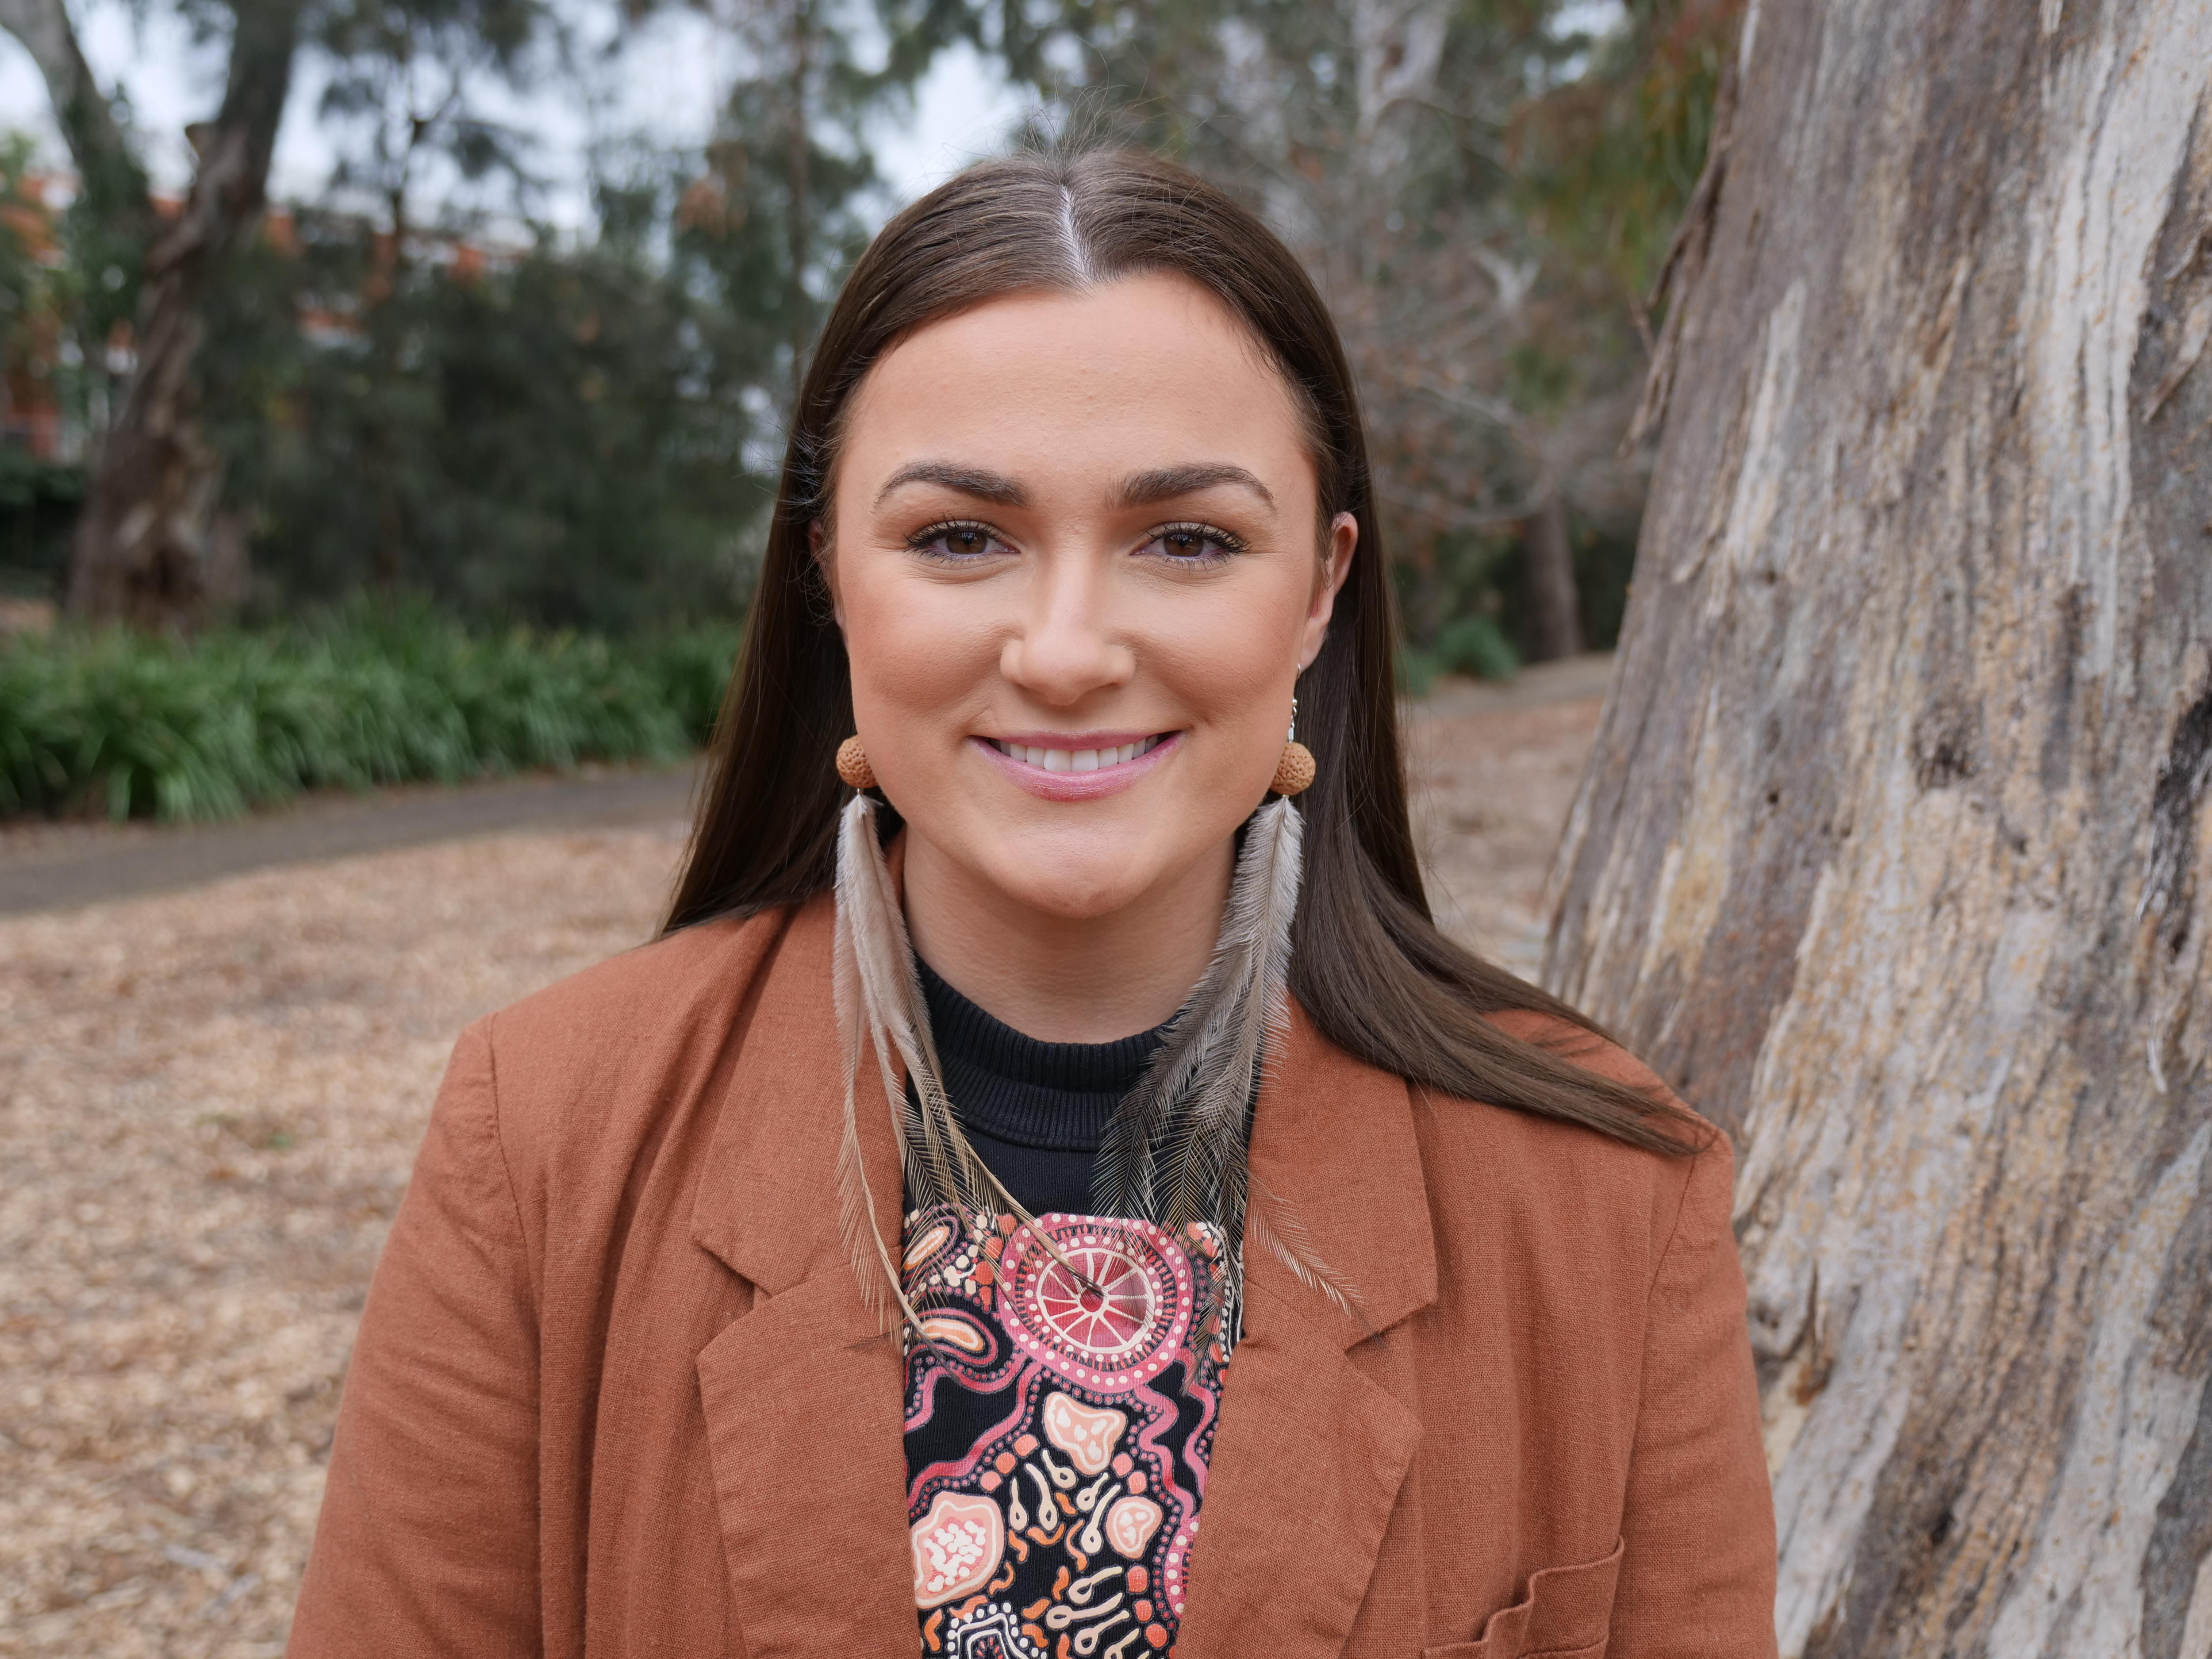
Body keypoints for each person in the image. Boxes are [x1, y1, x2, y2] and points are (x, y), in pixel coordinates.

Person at [288, 146, 1776, 1659]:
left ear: (1320, 586)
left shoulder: (1612, 1203)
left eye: (1186, 539)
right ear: (829, 574)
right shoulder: (543, 1139)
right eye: (959, 537)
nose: (1066, 651)